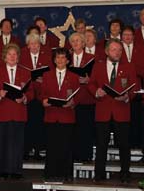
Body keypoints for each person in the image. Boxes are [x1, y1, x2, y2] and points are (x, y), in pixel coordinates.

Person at [88, 39, 136, 183]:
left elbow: (134, 86)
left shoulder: (129, 66)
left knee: (124, 144)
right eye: (114, 50)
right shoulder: (98, 66)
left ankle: (125, 173)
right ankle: (99, 173)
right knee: (101, 144)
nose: (117, 53)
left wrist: (127, 97)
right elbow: (91, 84)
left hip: (122, 110)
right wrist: (96, 92)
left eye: (120, 50)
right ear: (107, 51)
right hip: (103, 110)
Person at [0, 43, 34, 179]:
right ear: (4, 56)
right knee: (2, 142)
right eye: (9, 54)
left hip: (19, 112)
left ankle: (16, 170)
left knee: (17, 143)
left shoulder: (25, 72)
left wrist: (25, 97)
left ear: (18, 57)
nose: (12, 57)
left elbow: (31, 92)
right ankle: (1, 170)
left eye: (15, 54)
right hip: (3, 112)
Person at [41, 47, 80, 181]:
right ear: (54, 60)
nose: (60, 60)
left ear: (68, 61)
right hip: (51, 115)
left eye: (63, 57)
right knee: (51, 146)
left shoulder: (74, 77)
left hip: (67, 116)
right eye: (58, 57)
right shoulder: (47, 75)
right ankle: (50, 173)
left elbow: (77, 96)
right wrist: (44, 101)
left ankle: (66, 173)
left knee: (66, 146)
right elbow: (43, 94)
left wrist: (72, 103)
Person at [20, 32, 51, 160]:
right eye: (31, 44)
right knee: (28, 124)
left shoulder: (46, 56)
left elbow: (51, 73)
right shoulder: (22, 56)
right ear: (28, 45)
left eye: (36, 43)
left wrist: (44, 80)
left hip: (41, 95)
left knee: (40, 124)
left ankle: (39, 150)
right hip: (28, 94)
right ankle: (26, 150)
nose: (34, 46)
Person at [68, 32, 96, 162]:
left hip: (86, 98)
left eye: (78, 40)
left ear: (84, 43)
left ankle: (86, 155)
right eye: (73, 41)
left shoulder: (91, 58)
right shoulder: (66, 59)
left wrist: (88, 80)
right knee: (72, 129)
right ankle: (72, 155)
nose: (75, 43)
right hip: (71, 98)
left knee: (86, 128)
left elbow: (97, 78)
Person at [121, 25, 144, 149]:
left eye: (130, 35)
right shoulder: (116, 48)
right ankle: (122, 143)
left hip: (137, 87)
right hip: (120, 88)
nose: (127, 37)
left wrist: (135, 70)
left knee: (136, 116)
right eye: (125, 35)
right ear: (121, 37)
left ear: (133, 36)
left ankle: (136, 142)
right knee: (122, 117)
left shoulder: (141, 49)